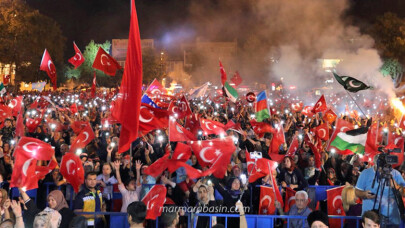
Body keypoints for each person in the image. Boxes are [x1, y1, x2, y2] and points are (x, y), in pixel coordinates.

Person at [355, 154, 405, 226]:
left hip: (391, 218)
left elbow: (404, 193)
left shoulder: (395, 174)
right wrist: (364, 194)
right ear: (375, 164)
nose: (382, 170)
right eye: (380, 166)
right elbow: (357, 192)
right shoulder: (365, 173)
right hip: (370, 218)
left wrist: (396, 186)